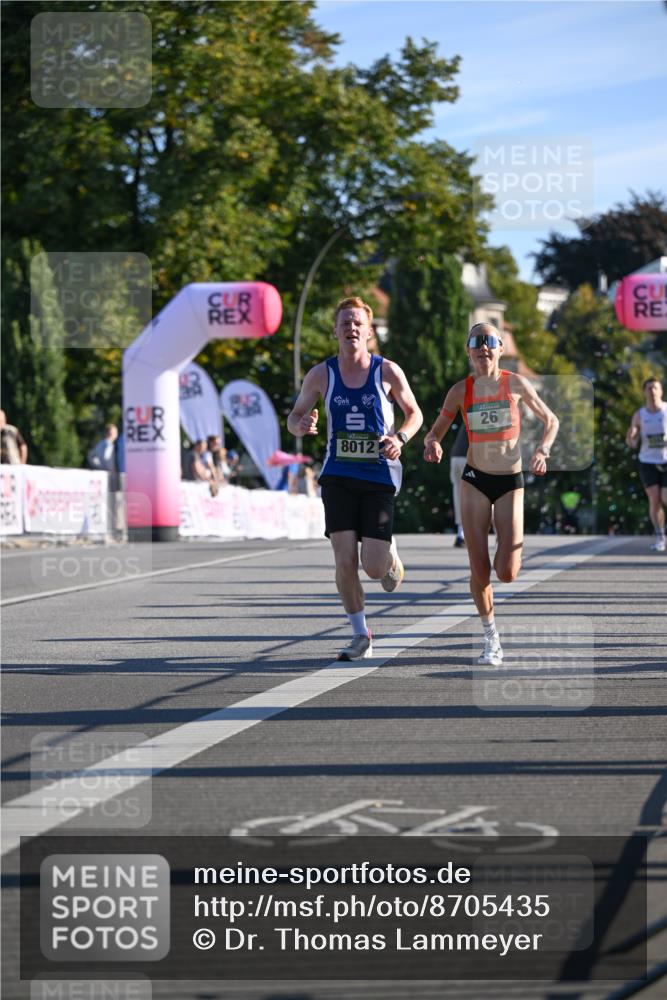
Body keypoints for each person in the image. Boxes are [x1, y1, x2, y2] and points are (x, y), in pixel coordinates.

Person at [287, 296, 423, 661]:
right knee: (344, 559)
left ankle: (389, 555)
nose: (351, 328)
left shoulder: (388, 371)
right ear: (335, 330)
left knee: (374, 568)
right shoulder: (320, 374)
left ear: (369, 331)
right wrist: (301, 424)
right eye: (345, 322)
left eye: (358, 323)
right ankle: (360, 633)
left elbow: (414, 414)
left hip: (379, 474)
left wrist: (400, 438)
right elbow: (295, 416)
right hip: (338, 475)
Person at [424, 323, 559, 666]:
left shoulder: (515, 383)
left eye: (489, 342)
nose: (482, 347)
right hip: (475, 480)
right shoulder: (460, 391)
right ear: (468, 351)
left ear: (500, 349)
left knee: (508, 572)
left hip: (510, 479)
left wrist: (543, 450)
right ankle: (490, 637)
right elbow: (435, 431)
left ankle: (508, 545)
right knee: (479, 569)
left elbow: (551, 419)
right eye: (475, 341)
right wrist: (432, 444)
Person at [626, 376, 667, 552]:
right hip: (647, 461)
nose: (652, 391)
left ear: (661, 391)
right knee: (655, 500)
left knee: (666, 498)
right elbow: (632, 437)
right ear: (644, 392)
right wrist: (632, 437)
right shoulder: (639, 414)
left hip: (666, 460)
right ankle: (660, 536)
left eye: (655, 388)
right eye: (649, 388)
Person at [449, 422, 469, 546]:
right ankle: (499, 532)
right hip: (471, 457)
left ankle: (460, 533)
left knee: (459, 496)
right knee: (483, 494)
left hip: (456, 456)